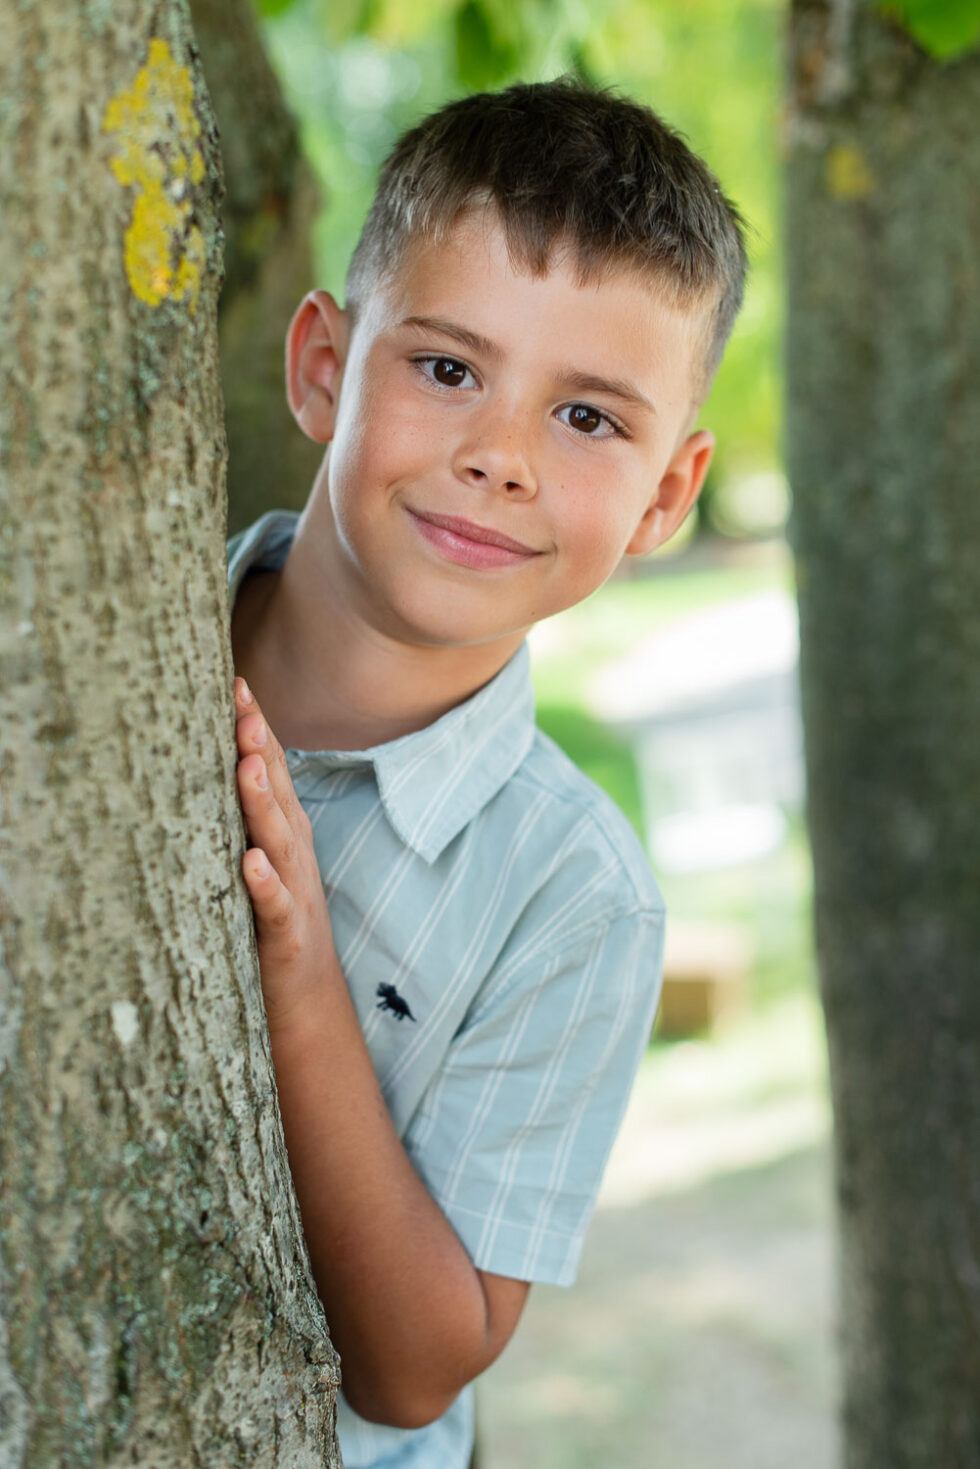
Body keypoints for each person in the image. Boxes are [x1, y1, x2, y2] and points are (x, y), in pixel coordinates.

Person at [228, 77, 748, 1468]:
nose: (499, 457)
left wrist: (303, 974)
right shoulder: (103, 650)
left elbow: (413, 1370)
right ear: (326, 367)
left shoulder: (574, 896)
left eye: (589, 420)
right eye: (448, 368)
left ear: (665, 496)